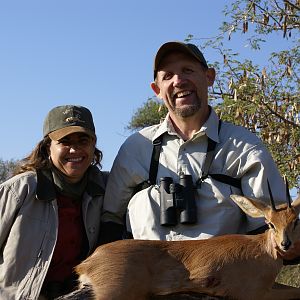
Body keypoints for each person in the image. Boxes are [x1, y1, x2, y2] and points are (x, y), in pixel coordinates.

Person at [100, 41, 289, 244]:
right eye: (167, 76)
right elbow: (110, 224)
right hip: (147, 272)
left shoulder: (245, 147)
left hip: (222, 274)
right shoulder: (135, 148)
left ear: (209, 77)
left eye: (187, 70)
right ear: (157, 90)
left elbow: (276, 230)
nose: (179, 81)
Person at [0, 105, 108, 300]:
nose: (74, 149)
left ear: (94, 145)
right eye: (64, 142)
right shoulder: (18, 190)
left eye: (83, 140)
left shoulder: (107, 188)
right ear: (47, 147)